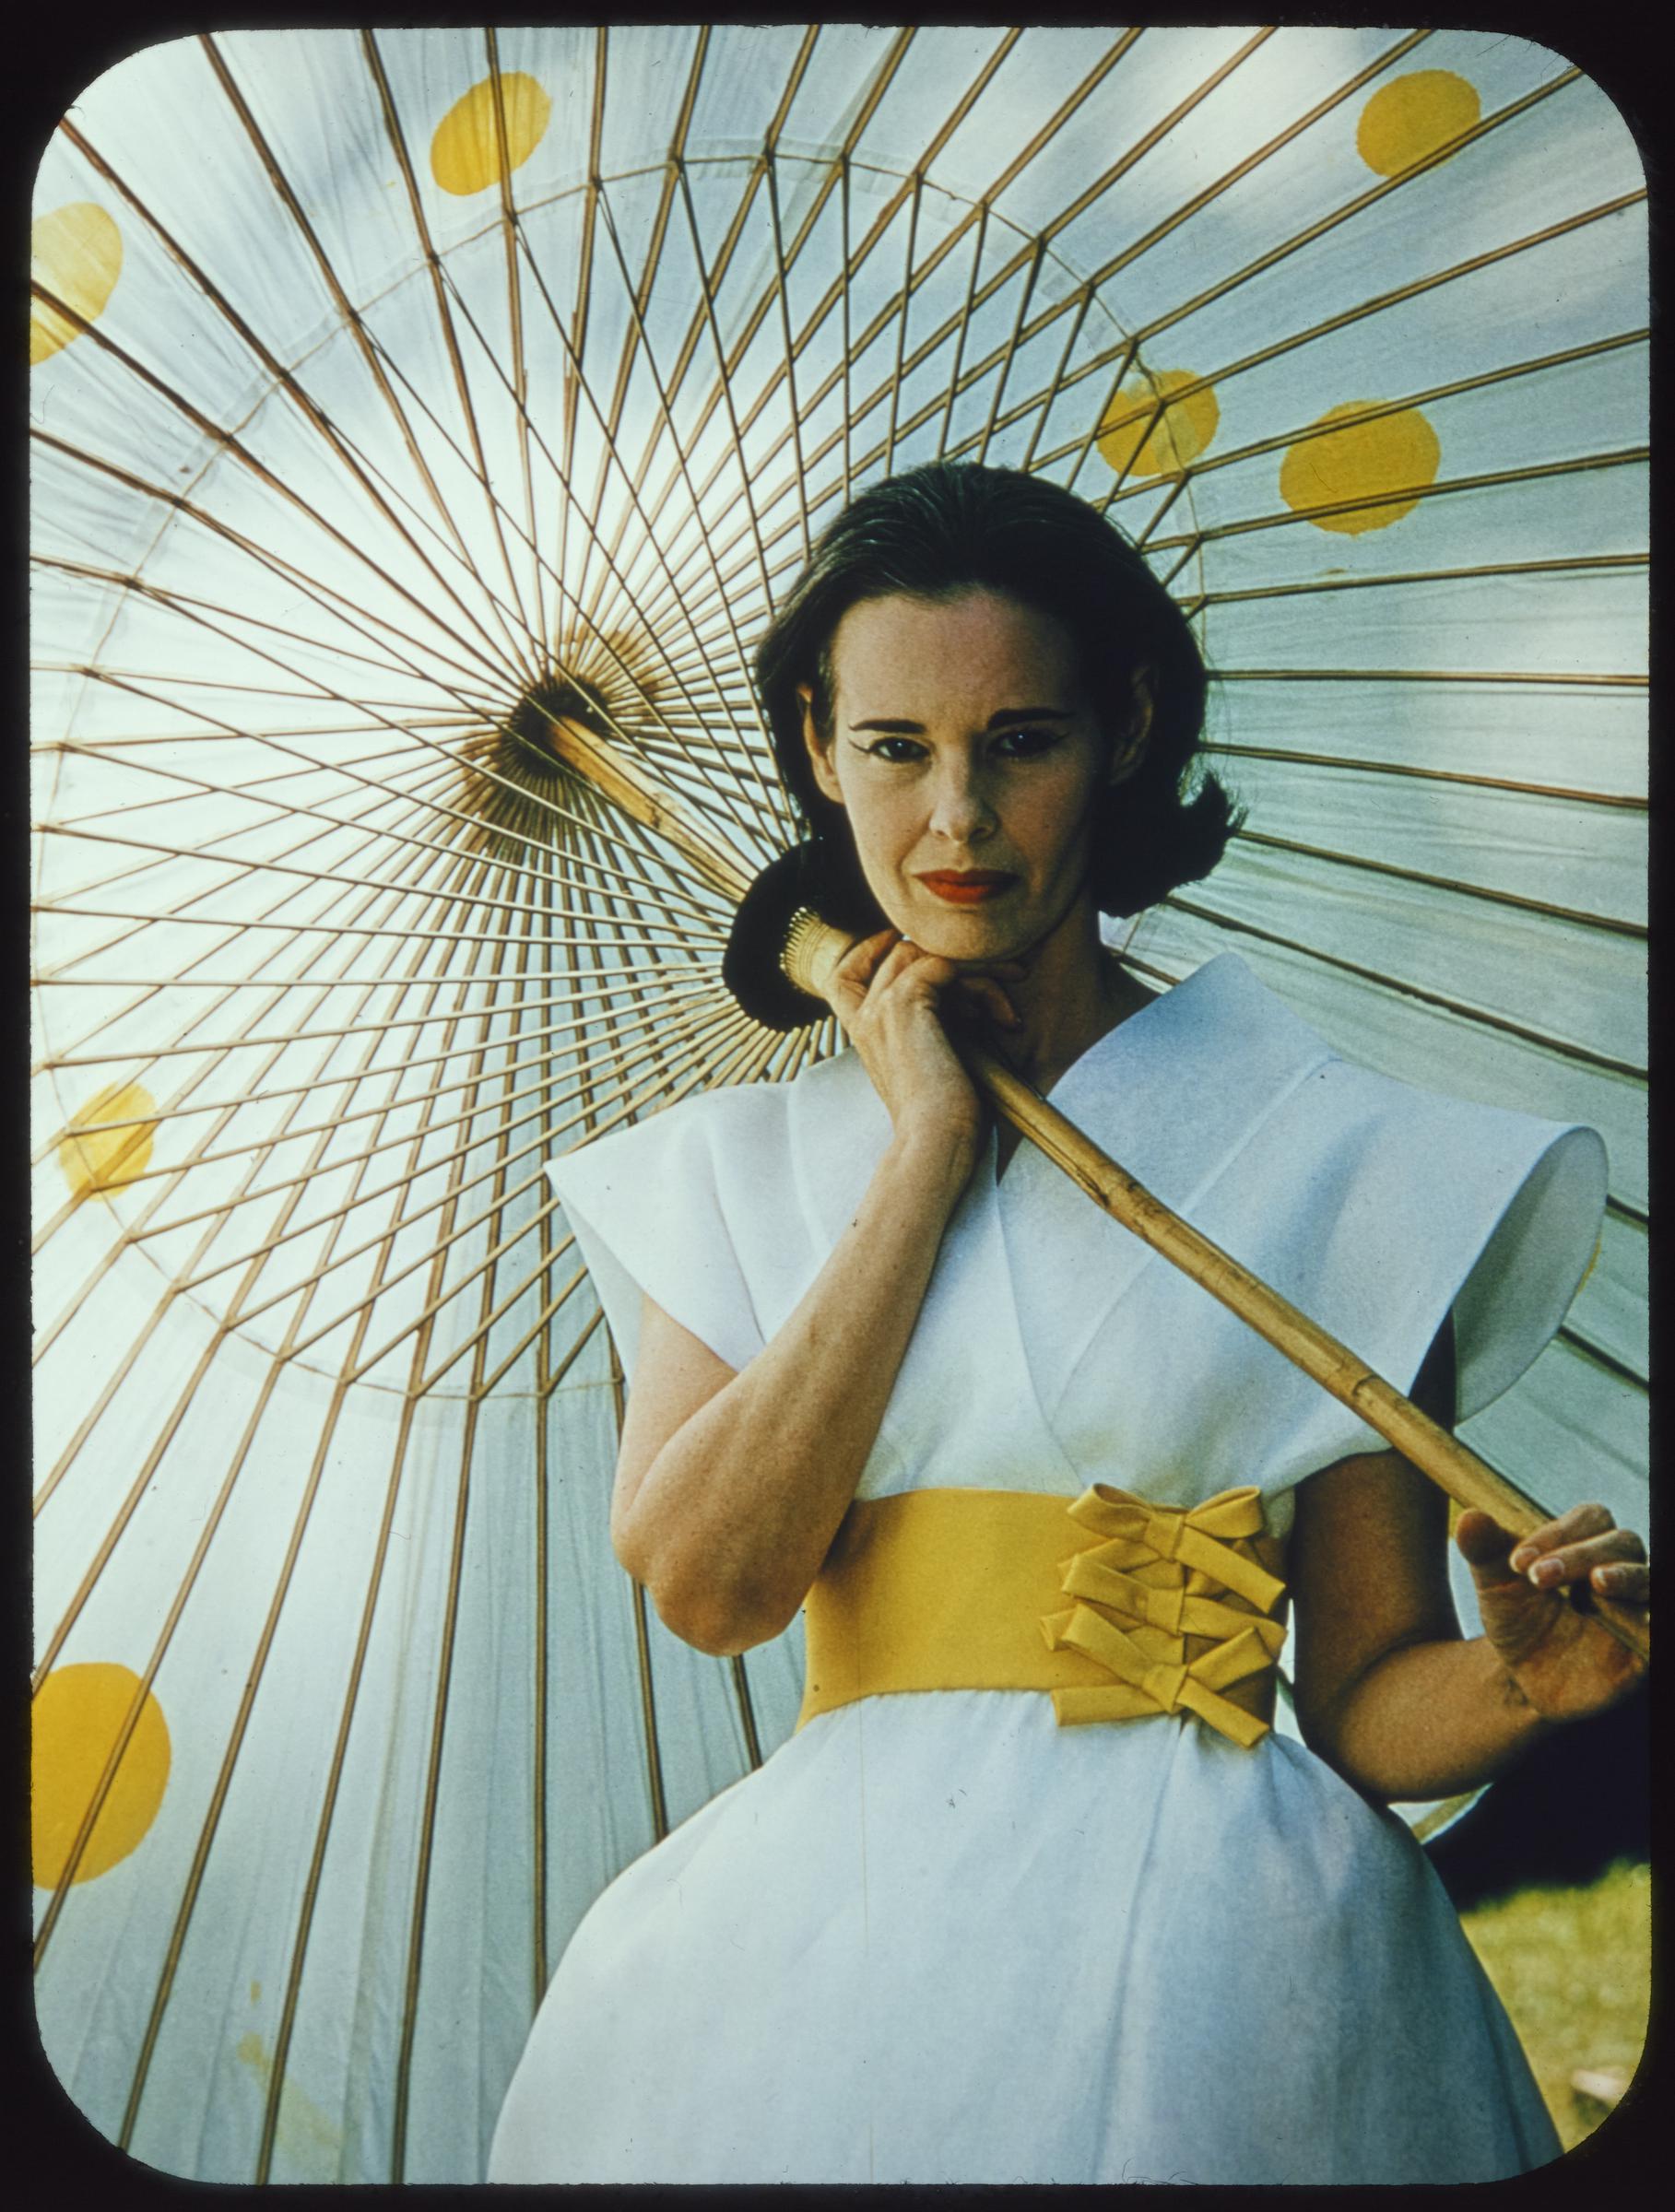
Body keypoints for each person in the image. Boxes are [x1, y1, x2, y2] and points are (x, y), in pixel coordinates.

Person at [489, 462, 1647, 2185]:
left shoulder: (1335, 1153)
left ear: (1125, 726)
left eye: (1015, 740)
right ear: (816, 746)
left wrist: (1515, 1682)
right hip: (816, 1967)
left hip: (1237, 1955)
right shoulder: (732, 1174)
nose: (951, 820)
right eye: (893, 749)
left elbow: (1363, 1695)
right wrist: (920, 1160)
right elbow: (709, 1585)